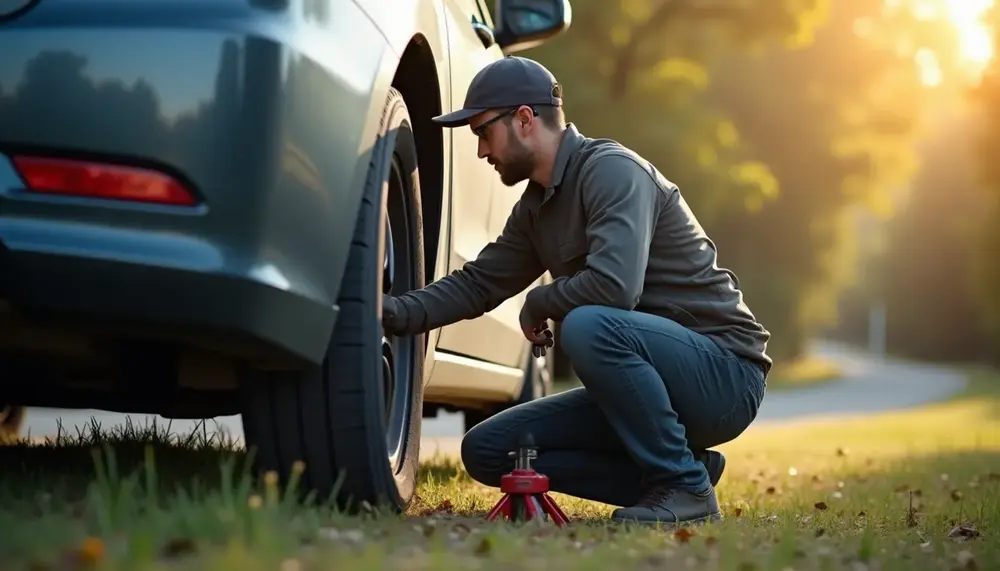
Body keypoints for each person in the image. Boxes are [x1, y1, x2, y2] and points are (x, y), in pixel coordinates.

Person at [381, 56, 771, 526]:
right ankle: (686, 472)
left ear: (524, 119)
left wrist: (541, 300)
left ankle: (683, 487)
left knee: (588, 324)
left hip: (724, 374)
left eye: (483, 132)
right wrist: (389, 312)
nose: (482, 151)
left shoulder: (612, 172)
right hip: (646, 383)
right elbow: (478, 284)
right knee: (488, 451)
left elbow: (614, 287)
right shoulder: (536, 209)